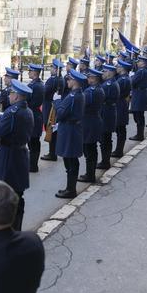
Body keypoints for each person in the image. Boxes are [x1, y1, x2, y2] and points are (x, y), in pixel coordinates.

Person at [0, 79, 33, 231]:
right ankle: (16, 231)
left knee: (6, 199)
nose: (9, 95)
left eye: (10, 93)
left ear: (16, 96)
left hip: (9, 157)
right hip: (20, 155)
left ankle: (9, 234)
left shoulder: (12, 112)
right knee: (17, 197)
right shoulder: (27, 110)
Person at [54, 69, 86, 199]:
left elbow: (61, 114)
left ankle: (71, 189)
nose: (67, 81)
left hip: (69, 130)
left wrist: (56, 102)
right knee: (70, 160)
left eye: (69, 79)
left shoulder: (73, 96)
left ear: (75, 81)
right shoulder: (78, 94)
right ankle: (70, 187)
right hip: (72, 129)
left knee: (70, 161)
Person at [79, 68, 105, 183]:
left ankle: (90, 174)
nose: (88, 79)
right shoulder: (98, 89)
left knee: (89, 151)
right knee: (91, 149)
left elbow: (83, 105)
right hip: (94, 120)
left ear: (94, 79)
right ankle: (90, 173)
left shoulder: (91, 92)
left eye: (89, 77)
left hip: (89, 122)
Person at [41, 59, 65, 162]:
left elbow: (44, 92)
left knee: (50, 128)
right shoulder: (61, 79)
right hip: (55, 104)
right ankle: (53, 152)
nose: (51, 69)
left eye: (52, 68)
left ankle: (52, 153)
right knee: (53, 129)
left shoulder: (53, 80)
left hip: (50, 106)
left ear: (56, 69)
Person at [97, 64, 119, 170]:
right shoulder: (110, 83)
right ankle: (105, 160)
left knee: (104, 139)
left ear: (110, 72)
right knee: (106, 139)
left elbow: (101, 98)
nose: (102, 74)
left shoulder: (108, 85)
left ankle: (105, 161)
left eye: (104, 72)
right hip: (108, 111)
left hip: (106, 113)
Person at [26, 64, 45, 173]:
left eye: (30, 71)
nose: (28, 73)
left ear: (35, 73)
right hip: (37, 114)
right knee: (34, 141)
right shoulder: (39, 84)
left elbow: (27, 98)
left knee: (32, 141)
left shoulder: (33, 86)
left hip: (32, 114)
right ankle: (33, 164)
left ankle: (33, 165)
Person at [112, 60, 132, 158]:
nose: (117, 68)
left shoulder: (123, 80)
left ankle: (119, 150)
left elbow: (116, 92)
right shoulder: (122, 78)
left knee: (120, 128)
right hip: (121, 103)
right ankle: (118, 150)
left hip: (120, 104)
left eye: (118, 67)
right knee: (120, 128)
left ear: (122, 68)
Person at [129, 56, 147, 141]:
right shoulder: (143, 71)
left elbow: (133, 82)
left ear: (143, 63)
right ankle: (139, 134)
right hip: (141, 93)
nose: (137, 63)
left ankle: (140, 135)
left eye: (139, 61)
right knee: (139, 115)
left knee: (138, 116)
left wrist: (131, 77)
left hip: (139, 94)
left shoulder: (141, 71)